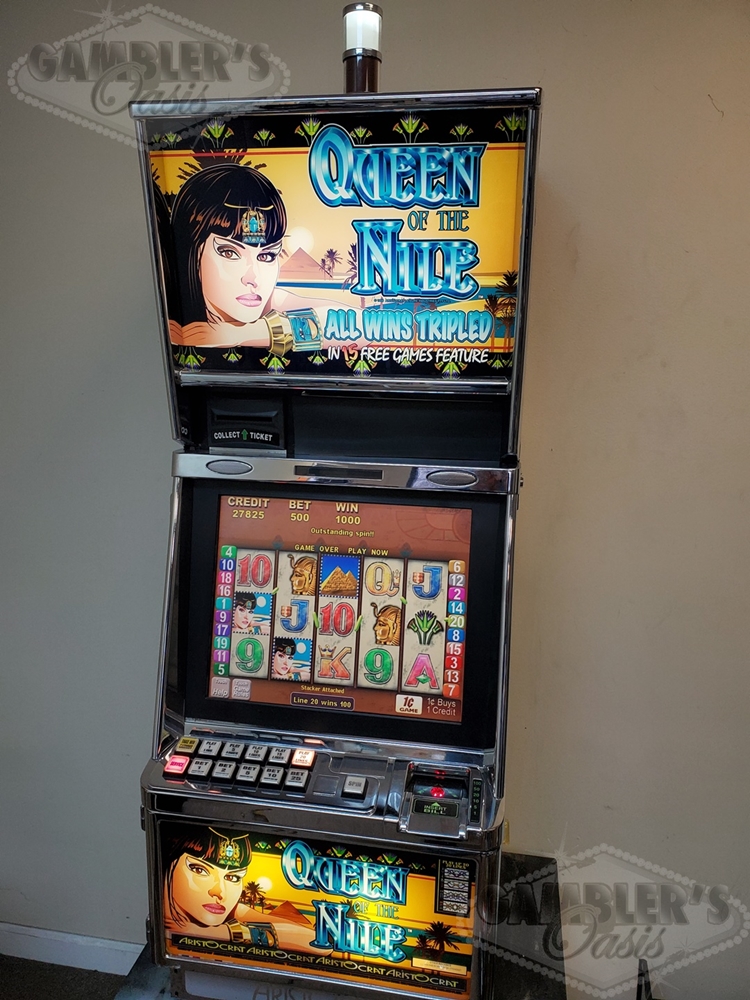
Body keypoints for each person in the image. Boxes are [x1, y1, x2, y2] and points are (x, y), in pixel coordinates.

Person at [169, 163, 347, 353]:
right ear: (191, 253)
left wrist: (244, 334)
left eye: (266, 256)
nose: (253, 277)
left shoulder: (270, 304)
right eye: (229, 253)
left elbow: (358, 322)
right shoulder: (168, 318)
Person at [162, 826, 330, 954]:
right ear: (168, 864)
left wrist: (221, 932)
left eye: (233, 878)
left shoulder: (227, 911)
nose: (219, 891)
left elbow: (319, 943)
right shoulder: (163, 924)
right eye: (199, 870)